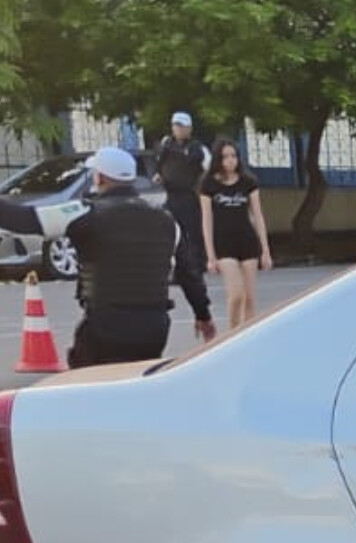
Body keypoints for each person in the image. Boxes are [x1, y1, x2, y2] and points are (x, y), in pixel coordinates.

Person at [0, 147, 215, 366]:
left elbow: (23, 220)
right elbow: (189, 274)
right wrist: (203, 315)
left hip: (104, 325)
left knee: (89, 385)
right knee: (136, 382)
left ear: (99, 177)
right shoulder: (168, 220)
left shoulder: (83, 212)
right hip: (154, 328)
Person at [198, 139, 273, 329]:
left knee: (249, 297)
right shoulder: (208, 184)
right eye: (225, 157)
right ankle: (231, 335)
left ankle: (248, 337)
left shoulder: (248, 182)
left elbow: (257, 216)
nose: (230, 161)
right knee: (236, 295)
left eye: (233, 156)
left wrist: (265, 250)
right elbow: (207, 221)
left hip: (247, 241)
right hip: (223, 244)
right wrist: (210, 256)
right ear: (218, 159)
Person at [154, 111, 213, 280]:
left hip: (189, 197)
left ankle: (196, 267)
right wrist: (159, 175)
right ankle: (178, 270)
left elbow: (209, 169)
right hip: (170, 196)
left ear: (189, 128)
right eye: (175, 126)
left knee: (192, 233)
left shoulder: (197, 148)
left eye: (181, 126)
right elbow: (160, 165)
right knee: (172, 234)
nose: (178, 129)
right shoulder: (167, 144)